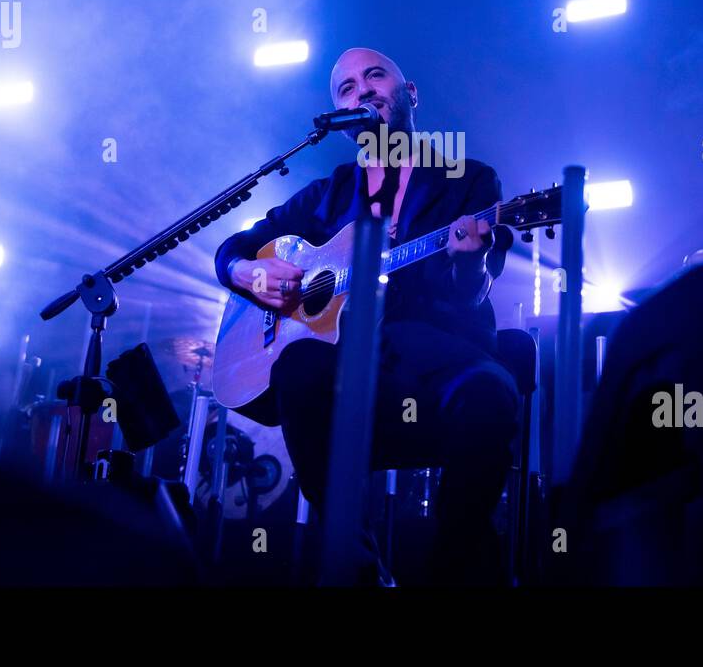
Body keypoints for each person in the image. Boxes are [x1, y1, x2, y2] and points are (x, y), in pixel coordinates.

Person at [214, 47, 518, 585]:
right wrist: (244, 273)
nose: (363, 91)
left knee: (493, 392)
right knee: (298, 365)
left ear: (410, 94)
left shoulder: (469, 180)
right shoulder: (324, 196)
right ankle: (357, 569)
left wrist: (467, 264)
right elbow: (239, 245)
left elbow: (471, 297)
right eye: (346, 89)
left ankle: (456, 568)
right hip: (349, 378)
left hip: (435, 363)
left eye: (375, 76)